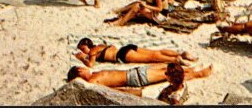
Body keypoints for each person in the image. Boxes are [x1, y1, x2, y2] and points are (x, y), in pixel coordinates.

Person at [66, 63, 212, 95]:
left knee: (168, 68)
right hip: (136, 78)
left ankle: (191, 70)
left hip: (134, 72)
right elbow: (108, 90)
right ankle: (199, 74)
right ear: (79, 71)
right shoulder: (91, 82)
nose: (86, 68)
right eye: (82, 68)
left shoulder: (94, 75)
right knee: (171, 75)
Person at [75, 38, 197, 67]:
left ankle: (175, 60)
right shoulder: (101, 45)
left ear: (87, 45)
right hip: (127, 48)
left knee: (151, 58)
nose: (82, 51)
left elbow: (91, 65)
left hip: (122, 55)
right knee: (155, 52)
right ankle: (180, 54)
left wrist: (81, 58)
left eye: (82, 48)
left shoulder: (93, 51)